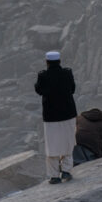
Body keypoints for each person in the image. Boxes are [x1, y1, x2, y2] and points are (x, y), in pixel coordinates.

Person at [34, 50, 77, 184]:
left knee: (52, 146)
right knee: (68, 143)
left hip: (51, 116)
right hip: (68, 114)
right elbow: (72, 89)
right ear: (59, 61)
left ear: (47, 62)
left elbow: (38, 90)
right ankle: (66, 171)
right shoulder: (67, 73)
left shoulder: (43, 76)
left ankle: (54, 175)